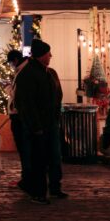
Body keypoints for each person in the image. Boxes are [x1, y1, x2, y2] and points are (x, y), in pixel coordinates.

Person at [14, 40, 65, 204]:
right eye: (48, 53)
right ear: (41, 55)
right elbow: (26, 103)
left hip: (49, 123)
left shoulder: (47, 73)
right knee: (38, 159)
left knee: (52, 156)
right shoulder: (29, 74)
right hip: (38, 126)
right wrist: (35, 126)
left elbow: (56, 96)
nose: (51, 56)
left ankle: (52, 188)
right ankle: (38, 192)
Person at [6, 49, 28, 188]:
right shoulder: (21, 71)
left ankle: (26, 178)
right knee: (24, 149)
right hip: (19, 116)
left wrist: (8, 87)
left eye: (10, 63)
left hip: (19, 116)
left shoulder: (22, 73)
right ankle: (25, 177)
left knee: (24, 148)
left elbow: (16, 95)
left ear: (14, 61)